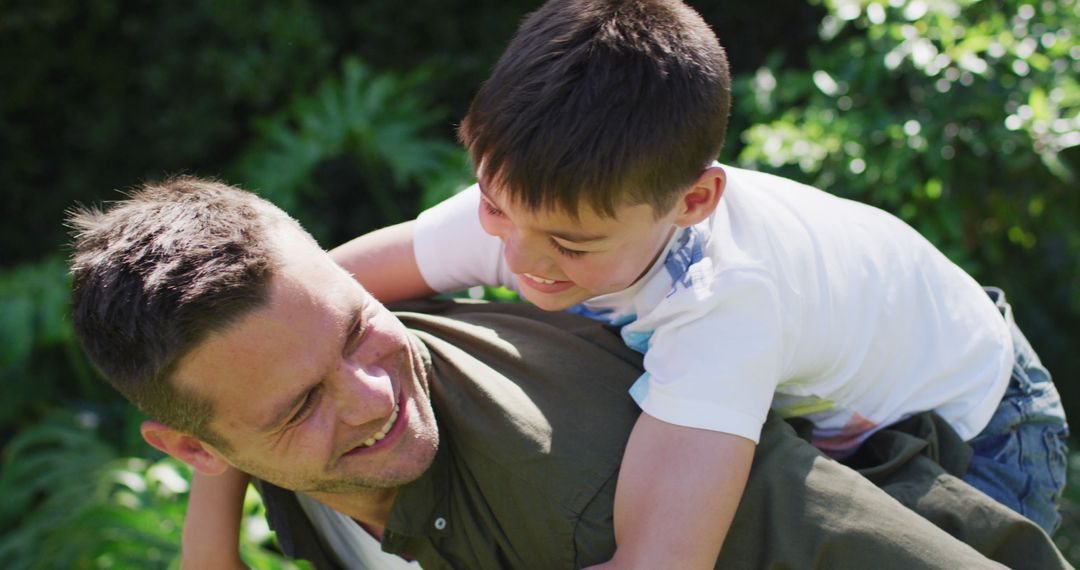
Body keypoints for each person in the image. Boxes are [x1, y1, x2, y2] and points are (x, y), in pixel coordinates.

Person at [187, 0, 1069, 566]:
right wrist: (215, 514)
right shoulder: (532, 203)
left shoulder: (721, 306)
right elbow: (279, 329)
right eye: (496, 209)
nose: (525, 262)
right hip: (867, 363)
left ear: (693, 200)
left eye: (573, 245)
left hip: (979, 425)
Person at [67, 177, 1071, 570]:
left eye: (360, 335)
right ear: (196, 446)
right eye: (296, 408)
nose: (375, 401)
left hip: (970, 412)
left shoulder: (590, 485)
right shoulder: (291, 358)